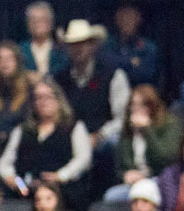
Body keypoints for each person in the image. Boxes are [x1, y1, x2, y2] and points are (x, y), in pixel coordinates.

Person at [0, 78, 92, 196]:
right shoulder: (22, 130)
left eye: (48, 97)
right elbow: (5, 163)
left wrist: (61, 175)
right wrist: (17, 182)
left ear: (58, 100)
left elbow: (83, 158)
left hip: (63, 191)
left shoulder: (74, 127)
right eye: (38, 98)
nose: (43, 102)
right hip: (26, 192)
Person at [54, 19, 129, 151]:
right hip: (68, 140)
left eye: (82, 43)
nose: (78, 48)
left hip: (103, 140)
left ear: (92, 45)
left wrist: (99, 135)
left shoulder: (113, 75)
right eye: (73, 44)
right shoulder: (59, 79)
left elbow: (122, 118)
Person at [116, 84, 184, 193]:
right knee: (111, 196)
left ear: (152, 106)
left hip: (160, 180)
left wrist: (148, 131)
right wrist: (126, 174)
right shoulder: (127, 131)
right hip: (134, 184)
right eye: (133, 105)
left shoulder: (169, 125)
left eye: (142, 105)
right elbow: (121, 164)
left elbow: (165, 158)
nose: (136, 109)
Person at [103, 0, 159, 89]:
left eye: (130, 16)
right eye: (123, 16)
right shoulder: (107, 44)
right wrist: (130, 62)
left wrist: (119, 63)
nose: (126, 21)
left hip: (139, 93)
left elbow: (146, 74)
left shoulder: (148, 47)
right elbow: (105, 63)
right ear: (117, 17)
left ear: (138, 19)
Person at [0, 41, 32, 148]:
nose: (4, 63)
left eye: (9, 59)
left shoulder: (30, 89)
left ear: (18, 61)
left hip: (22, 145)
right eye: (0, 59)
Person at [16, 2, 69, 78]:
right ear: (27, 24)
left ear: (51, 23)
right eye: (33, 20)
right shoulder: (20, 50)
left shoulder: (61, 48)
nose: (37, 23)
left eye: (42, 19)